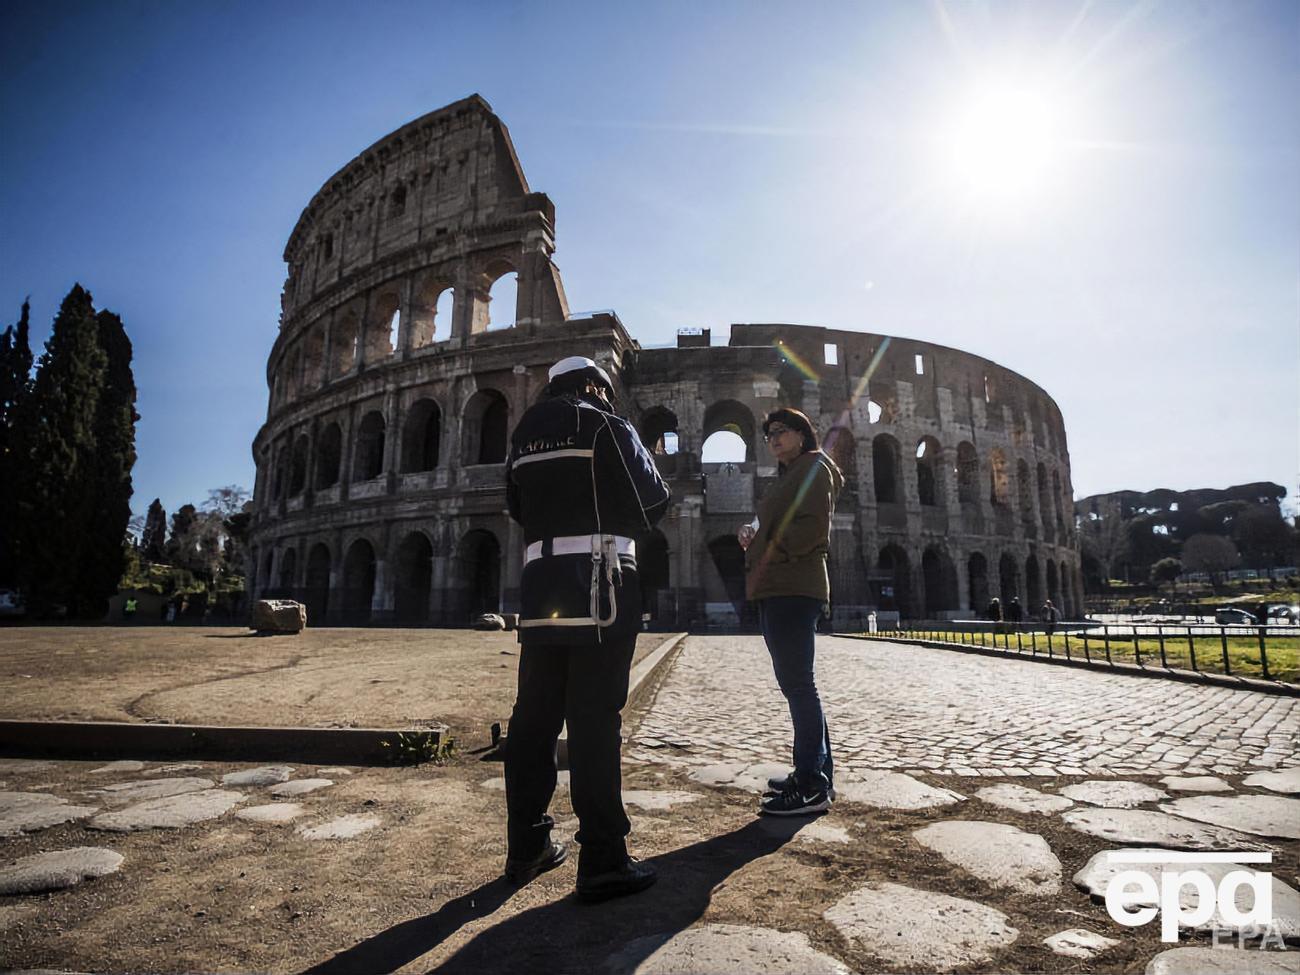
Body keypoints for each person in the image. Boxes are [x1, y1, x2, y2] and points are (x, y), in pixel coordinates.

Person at [502, 355, 671, 901]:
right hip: (601, 583)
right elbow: (654, 500)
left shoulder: (524, 434)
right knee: (595, 721)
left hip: (540, 586)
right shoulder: (604, 422)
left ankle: (527, 844)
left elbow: (515, 507)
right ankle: (603, 856)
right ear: (596, 385)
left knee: (533, 717)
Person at [739, 408, 842, 816]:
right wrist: (754, 530)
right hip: (782, 586)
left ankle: (811, 784)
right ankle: (817, 773)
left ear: (802, 434)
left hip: (793, 587)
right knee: (799, 686)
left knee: (800, 687)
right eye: (768, 435)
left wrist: (768, 548)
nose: (773, 439)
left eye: (781, 432)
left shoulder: (814, 468)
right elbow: (779, 522)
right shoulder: (792, 473)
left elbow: (812, 529)